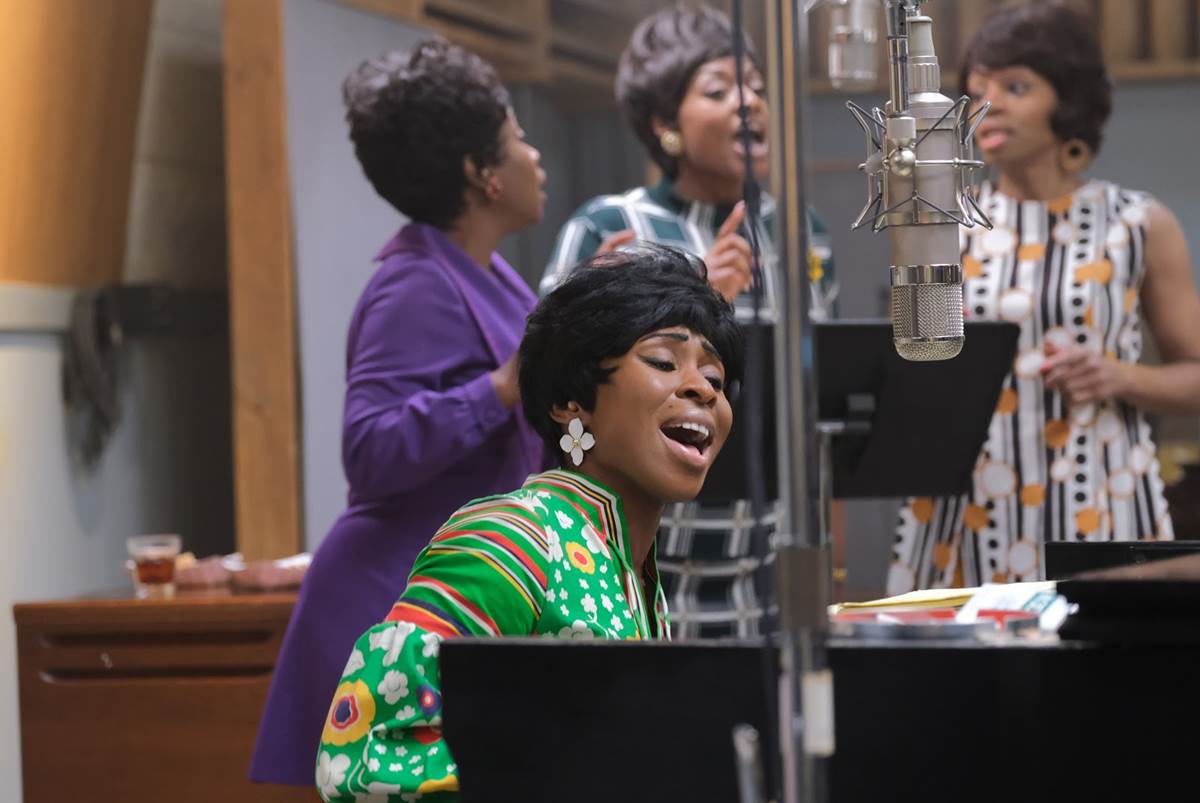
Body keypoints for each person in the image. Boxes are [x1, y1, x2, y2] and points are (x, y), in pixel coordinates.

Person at [313, 246, 742, 801]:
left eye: (715, 377)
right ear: (570, 402)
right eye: (663, 361)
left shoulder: (639, 579)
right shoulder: (512, 537)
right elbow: (367, 756)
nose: (703, 389)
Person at [251, 39, 549, 786]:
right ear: (481, 173)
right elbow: (370, 449)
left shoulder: (487, 274)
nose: (535, 155)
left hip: (460, 595)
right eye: (518, 138)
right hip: (391, 607)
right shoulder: (413, 283)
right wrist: (501, 387)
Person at [541, 2, 836, 637]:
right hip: (636, 561)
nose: (749, 103)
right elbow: (552, 380)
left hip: (768, 566)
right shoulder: (610, 224)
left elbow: (824, 397)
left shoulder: (801, 232)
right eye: (719, 90)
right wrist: (701, 300)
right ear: (665, 125)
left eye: (756, 87)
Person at [890, 2, 1200, 594]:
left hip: (1098, 499)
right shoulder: (941, 225)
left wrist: (1119, 376)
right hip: (967, 507)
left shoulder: (1137, 223)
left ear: (1069, 101)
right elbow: (904, 372)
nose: (989, 104)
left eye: (1015, 86)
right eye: (977, 89)